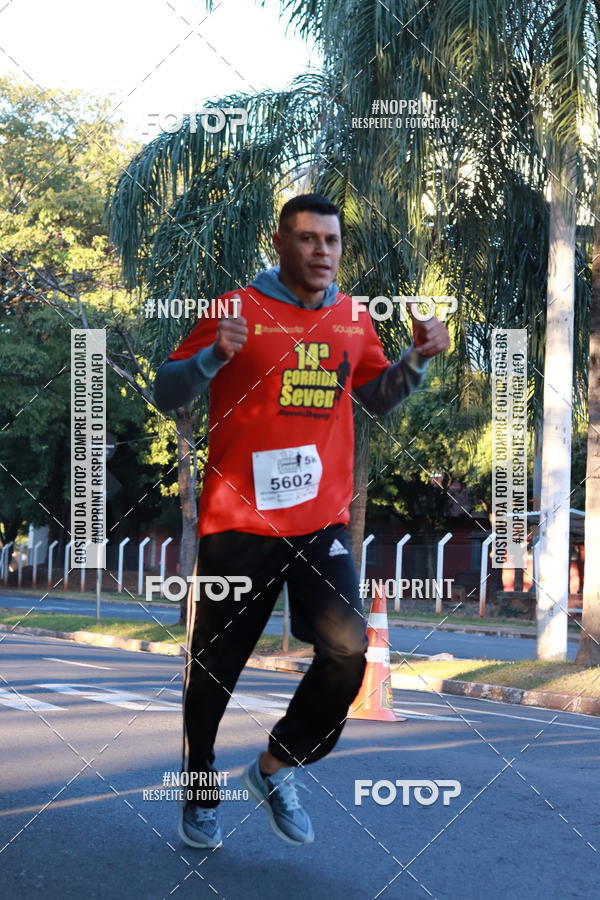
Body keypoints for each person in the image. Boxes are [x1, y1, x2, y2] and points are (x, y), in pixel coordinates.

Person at [153, 194, 450, 850]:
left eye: (332, 241)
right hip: (237, 521)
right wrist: (210, 359)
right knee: (214, 668)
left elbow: (375, 397)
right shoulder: (235, 310)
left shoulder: (352, 320)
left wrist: (419, 360)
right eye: (309, 239)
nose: (322, 251)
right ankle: (199, 790)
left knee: (349, 652)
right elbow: (165, 390)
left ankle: (273, 767)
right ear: (281, 244)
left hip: (319, 523)